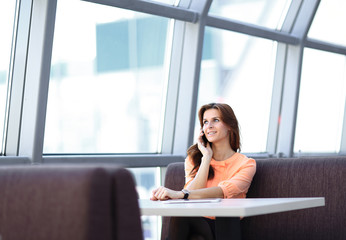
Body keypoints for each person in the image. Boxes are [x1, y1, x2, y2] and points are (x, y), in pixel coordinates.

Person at [151, 103, 256, 240]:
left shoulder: (246, 164)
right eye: (205, 122)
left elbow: (222, 192)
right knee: (182, 214)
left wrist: (179, 194)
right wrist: (206, 158)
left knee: (226, 211)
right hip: (198, 222)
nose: (209, 126)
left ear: (230, 125)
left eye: (215, 120)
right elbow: (191, 195)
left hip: (226, 227)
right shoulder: (194, 159)